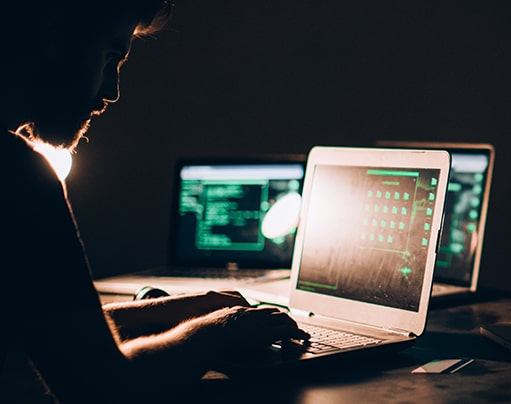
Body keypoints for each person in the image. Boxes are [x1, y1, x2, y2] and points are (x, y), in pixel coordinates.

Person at [0, 1, 308, 403]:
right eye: (111, 56)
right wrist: (219, 331)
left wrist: (172, 310)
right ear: (53, 35)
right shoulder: (18, 175)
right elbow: (105, 387)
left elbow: (39, 334)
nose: (111, 91)